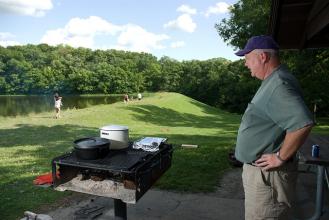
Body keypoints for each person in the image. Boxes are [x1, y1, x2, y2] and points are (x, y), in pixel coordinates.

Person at [234, 35, 314, 220]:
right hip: (264, 176)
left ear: (262, 57)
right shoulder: (275, 79)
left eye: (247, 59)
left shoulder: (278, 84)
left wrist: (280, 157)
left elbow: (302, 123)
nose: (246, 64)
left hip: (267, 177)